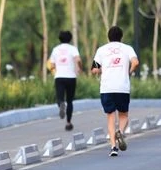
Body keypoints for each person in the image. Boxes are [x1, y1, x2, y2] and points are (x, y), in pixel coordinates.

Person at [91, 26, 139, 157]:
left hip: (106, 88)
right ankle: (121, 132)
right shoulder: (127, 48)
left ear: (108, 37)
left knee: (110, 117)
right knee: (124, 116)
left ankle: (113, 147)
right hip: (122, 87)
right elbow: (135, 62)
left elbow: (94, 69)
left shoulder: (101, 50)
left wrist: (103, 69)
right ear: (121, 37)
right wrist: (129, 71)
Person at [47, 30, 83, 131]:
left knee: (59, 98)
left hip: (59, 77)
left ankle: (61, 105)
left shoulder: (55, 49)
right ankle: (68, 122)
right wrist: (80, 68)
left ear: (60, 39)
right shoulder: (73, 49)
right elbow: (78, 60)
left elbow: (52, 64)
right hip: (71, 77)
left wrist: (53, 69)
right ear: (70, 39)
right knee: (70, 101)